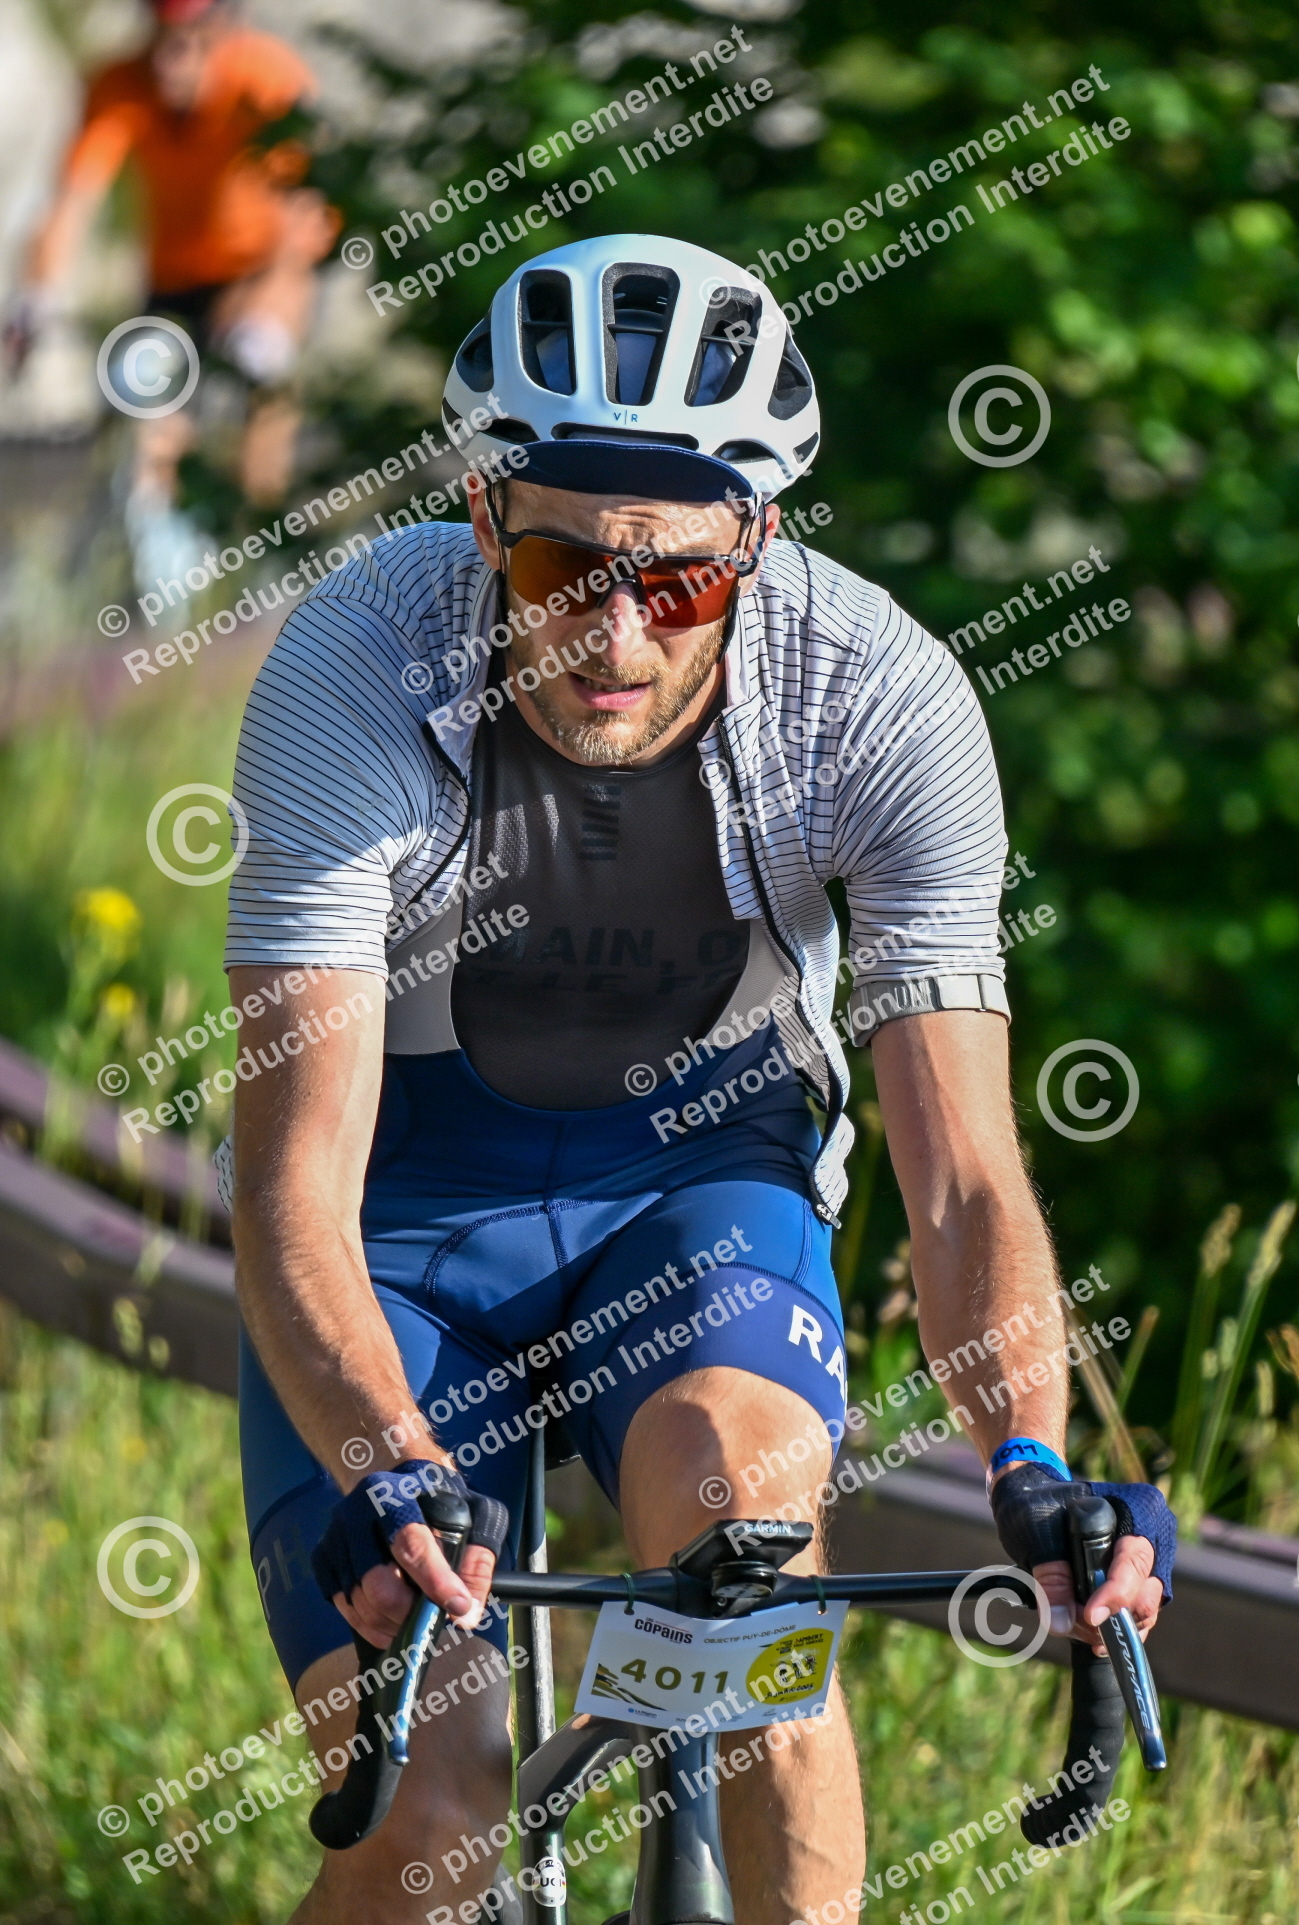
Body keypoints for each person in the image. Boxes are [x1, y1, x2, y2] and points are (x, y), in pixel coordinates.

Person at [222, 234, 1176, 1924]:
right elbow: (292, 1185)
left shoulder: (877, 697)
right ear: (480, 520)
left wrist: (1028, 1465)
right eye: (559, 568)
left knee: (746, 1567)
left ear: (760, 541)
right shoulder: (356, 659)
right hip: (396, 1235)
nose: (612, 632)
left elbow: (960, 1176)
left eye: (674, 584)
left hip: (697, 1204)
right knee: (431, 1818)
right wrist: (382, 1462)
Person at [7, 0, 336, 580]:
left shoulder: (268, 77)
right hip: (171, 280)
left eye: (187, 44)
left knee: (265, 377)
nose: (168, 63)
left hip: (258, 271)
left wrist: (261, 312)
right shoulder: (119, 84)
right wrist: (35, 299)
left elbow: (305, 216)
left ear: (225, 32)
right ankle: (161, 573)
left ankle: (261, 555)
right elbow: (70, 203)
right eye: (159, 40)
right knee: (150, 414)